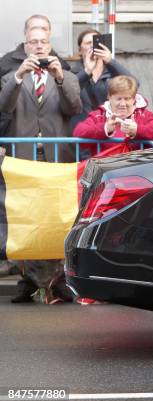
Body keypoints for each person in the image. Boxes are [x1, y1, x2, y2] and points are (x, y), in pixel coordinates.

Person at [0, 25, 82, 304]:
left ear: (49, 46)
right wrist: (19, 76)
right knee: (26, 217)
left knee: (55, 217)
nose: (38, 47)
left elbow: (74, 108)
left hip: (55, 156)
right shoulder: (12, 76)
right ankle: (27, 278)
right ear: (25, 45)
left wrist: (59, 78)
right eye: (33, 42)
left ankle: (58, 280)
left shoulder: (67, 76)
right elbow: (4, 106)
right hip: (22, 157)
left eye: (43, 42)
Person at [0, 15, 71, 137]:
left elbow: (71, 103)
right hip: (16, 133)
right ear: (26, 33)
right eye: (35, 28)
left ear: (49, 33)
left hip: (52, 137)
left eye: (44, 28)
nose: (40, 31)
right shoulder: (6, 62)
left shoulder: (60, 64)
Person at [73, 75, 153, 154]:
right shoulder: (99, 115)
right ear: (109, 97)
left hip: (136, 172)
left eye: (127, 99)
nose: (122, 104)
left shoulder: (144, 115)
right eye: (118, 99)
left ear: (134, 98)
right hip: (105, 172)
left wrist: (137, 130)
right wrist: (105, 128)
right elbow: (78, 133)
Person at [70, 29, 134, 137]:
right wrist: (86, 72)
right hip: (82, 135)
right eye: (88, 43)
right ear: (80, 50)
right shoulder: (73, 74)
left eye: (95, 42)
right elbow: (68, 91)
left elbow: (133, 85)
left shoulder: (112, 73)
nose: (92, 46)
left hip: (110, 133)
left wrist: (110, 61)